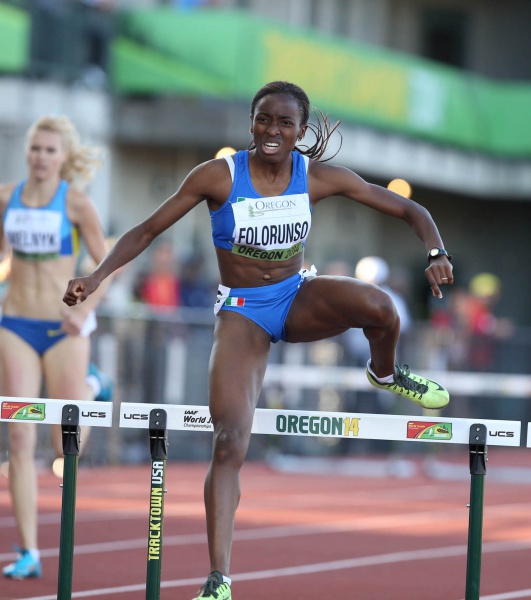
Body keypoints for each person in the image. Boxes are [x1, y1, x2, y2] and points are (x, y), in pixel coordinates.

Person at [63, 81, 454, 599]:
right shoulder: (218, 176)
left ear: (300, 131)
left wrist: (436, 252)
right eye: (264, 119)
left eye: (284, 122)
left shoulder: (317, 177)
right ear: (251, 122)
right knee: (229, 441)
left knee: (381, 307)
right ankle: (219, 578)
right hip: (243, 313)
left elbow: (411, 211)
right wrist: (97, 276)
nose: (272, 130)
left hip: (296, 297)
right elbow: (147, 230)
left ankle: (384, 372)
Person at [0, 115, 112, 579]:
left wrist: (85, 312)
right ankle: (29, 550)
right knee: (19, 436)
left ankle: (90, 389)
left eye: (50, 150)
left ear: (63, 157)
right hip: (15, 325)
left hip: (64, 327)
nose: (41, 157)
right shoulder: (6, 198)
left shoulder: (77, 204)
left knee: (64, 445)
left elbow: (107, 266)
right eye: (35, 148)